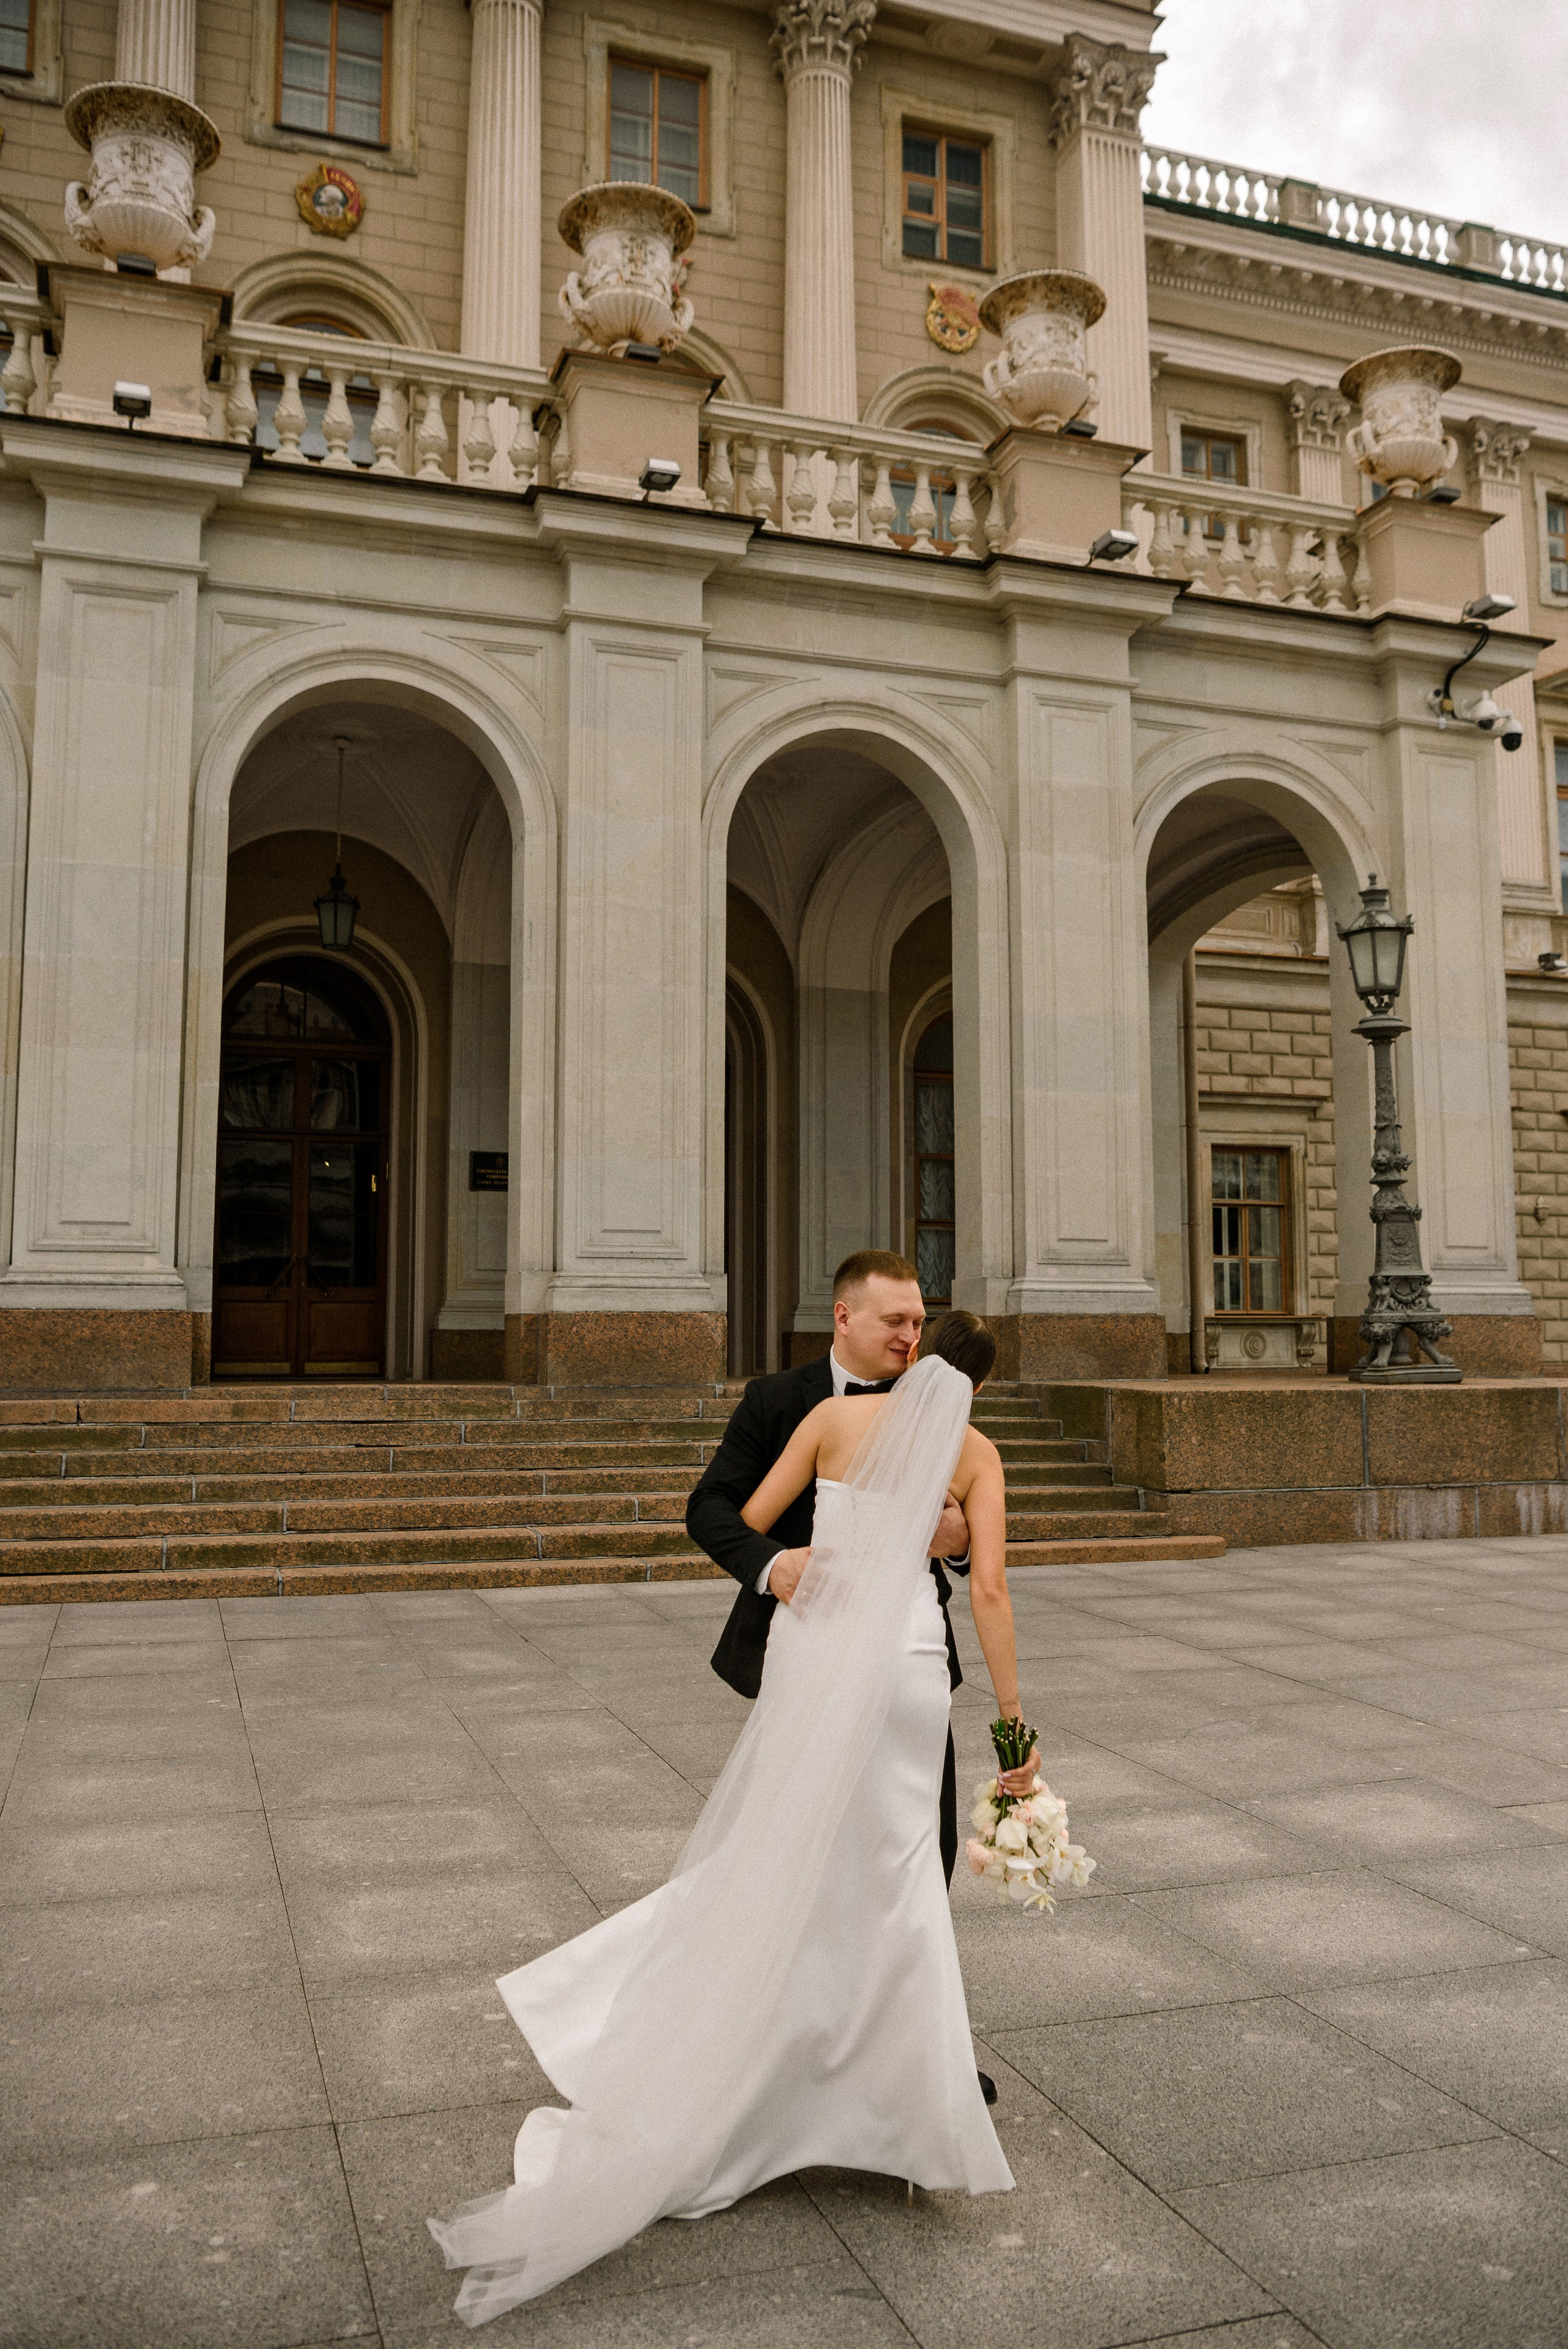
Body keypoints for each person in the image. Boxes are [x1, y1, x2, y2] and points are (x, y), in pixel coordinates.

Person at [428, 1312, 1031, 2323]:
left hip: (822, 1648)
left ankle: (771, 2061)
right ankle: (891, 2102)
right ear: (982, 1387)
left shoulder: (840, 1424)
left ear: (918, 1363)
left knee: (787, 1853)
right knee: (892, 1879)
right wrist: (1016, 1733)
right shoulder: (976, 1454)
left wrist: (813, 1558)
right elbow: (995, 1591)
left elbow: (754, 1515)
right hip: (911, 1672)